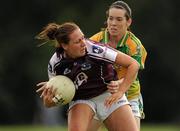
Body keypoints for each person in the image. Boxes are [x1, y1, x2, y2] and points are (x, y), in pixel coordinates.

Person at [36, 22, 139, 131]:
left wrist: (121, 91)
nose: (84, 43)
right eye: (77, 41)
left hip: (107, 94)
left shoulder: (96, 50)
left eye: (83, 38)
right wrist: (49, 102)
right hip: (82, 99)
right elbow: (52, 99)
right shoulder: (55, 64)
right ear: (64, 45)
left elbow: (133, 64)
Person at [90, 1, 147, 130]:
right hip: (101, 94)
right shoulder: (95, 41)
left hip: (129, 94)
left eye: (119, 19)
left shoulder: (134, 45)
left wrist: (119, 85)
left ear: (128, 22)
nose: (113, 23)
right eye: (111, 18)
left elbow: (134, 70)